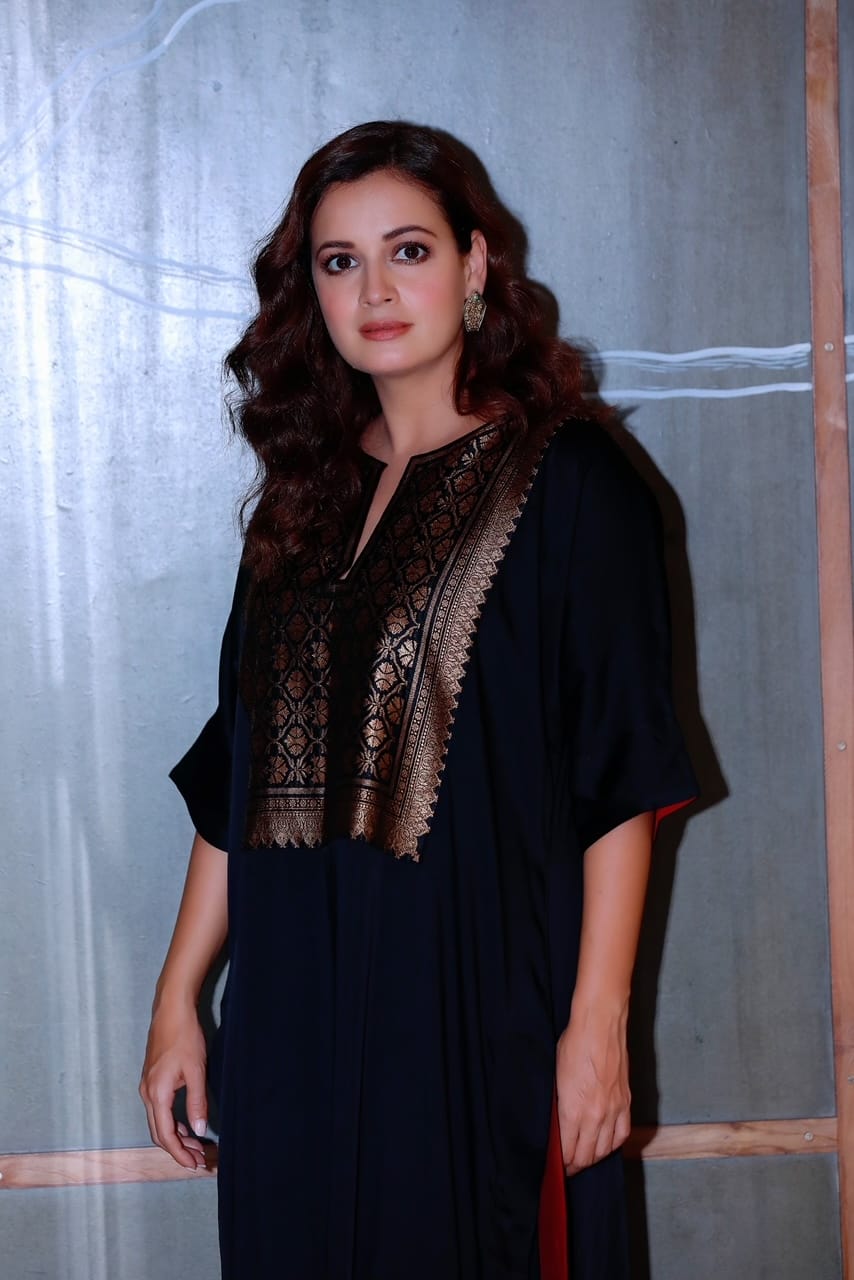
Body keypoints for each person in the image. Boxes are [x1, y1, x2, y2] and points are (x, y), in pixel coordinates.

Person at [140, 120, 696, 1280]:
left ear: (475, 262)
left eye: (408, 250)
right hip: (292, 1013)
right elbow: (238, 768)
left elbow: (621, 773)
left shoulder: (573, 482)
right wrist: (179, 994)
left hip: (473, 1009)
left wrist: (597, 1023)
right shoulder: (299, 504)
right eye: (340, 262)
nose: (375, 291)